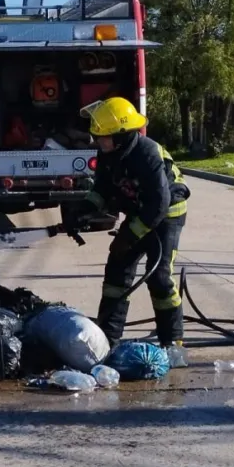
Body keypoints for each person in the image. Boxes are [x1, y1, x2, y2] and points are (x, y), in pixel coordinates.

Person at [79, 96, 190, 350]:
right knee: (117, 270)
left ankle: (172, 342)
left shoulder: (147, 152)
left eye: (103, 136)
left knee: (159, 276)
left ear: (121, 134)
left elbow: (159, 203)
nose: (98, 141)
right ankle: (108, 339)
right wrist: (86, 208)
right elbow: (103, 188)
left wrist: (129, 236)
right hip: (142, 210)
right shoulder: (109, 153)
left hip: (168, 213)